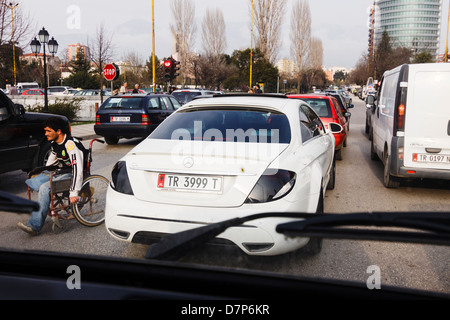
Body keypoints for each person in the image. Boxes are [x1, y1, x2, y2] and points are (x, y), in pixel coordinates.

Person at [17, 117, 85, 235]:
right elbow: (51, 162)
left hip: (71, 174)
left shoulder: (70, 144)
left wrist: (74, 192)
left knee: (45, 188)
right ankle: (43, 203)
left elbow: (77, 168)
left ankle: (34, 226)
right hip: (61, 172)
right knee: (32, 180)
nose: (45, 134)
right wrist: (41, 172)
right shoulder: (55, 144)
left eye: (48, 131)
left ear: (58, 131)